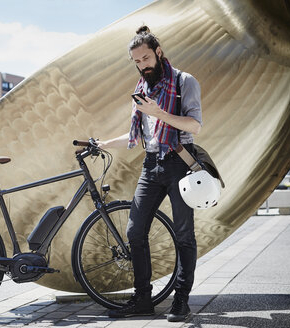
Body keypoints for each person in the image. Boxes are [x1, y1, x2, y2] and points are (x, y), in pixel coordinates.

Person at [98, 26, 202, 322]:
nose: (142, 65)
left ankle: (181, 299)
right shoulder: (142, 90)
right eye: (136, 62)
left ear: (158, 52)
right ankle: (143, 298)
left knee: (184, 235)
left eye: (145, 58)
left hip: (180, 163)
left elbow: (194, 126)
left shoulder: (184, 82)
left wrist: (161, 114)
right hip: (152, 163)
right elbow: (142, 136)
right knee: (134, 231)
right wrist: (104, 143)